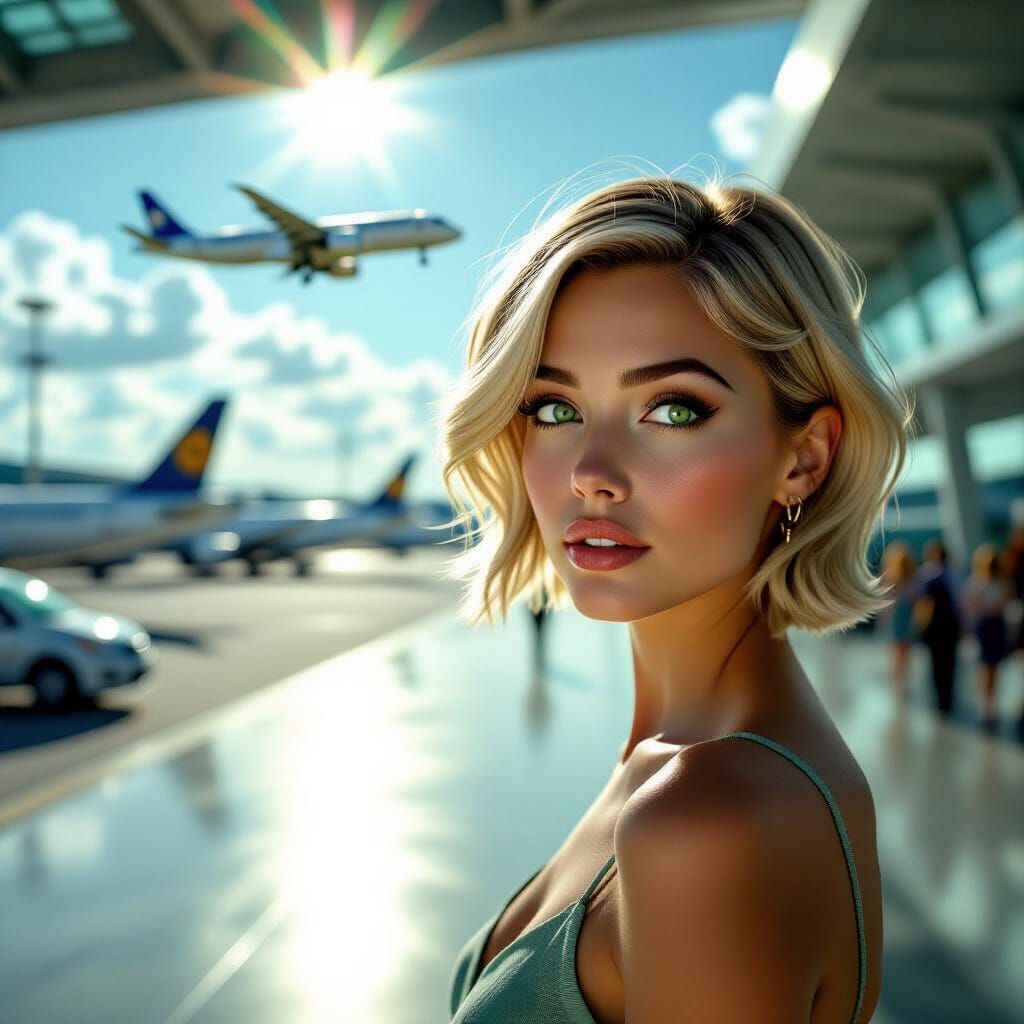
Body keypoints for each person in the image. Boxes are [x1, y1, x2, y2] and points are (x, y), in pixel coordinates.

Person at [440, 171, 911, 1023]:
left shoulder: (709, 820)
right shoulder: (689, 763)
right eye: (553, 407)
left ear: (802, 457)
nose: (591, 472)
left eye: (673, 410)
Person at [964, 543, 1014, 731]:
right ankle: (987, 705)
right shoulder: (980, 582)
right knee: (987, 667)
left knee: (991, 667)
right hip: (990, 625)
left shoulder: (989, 582)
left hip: (992, 625)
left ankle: (989, 705)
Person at [913, 540, 962, 718]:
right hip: (951, 624)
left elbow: (924, 604)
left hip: (935, 626)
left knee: (936, 664)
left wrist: (920, 624)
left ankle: (940, 700)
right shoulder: (955, 573)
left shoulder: (926, 574)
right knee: (950, 663)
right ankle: (947, 698)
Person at [877, 541, 918, 702]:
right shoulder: (895, 579)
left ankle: (899, 682)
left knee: (899, 653)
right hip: (901, 618)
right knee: (901, 653)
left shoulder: (893, 579)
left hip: (900, 618)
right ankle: (899, 682)